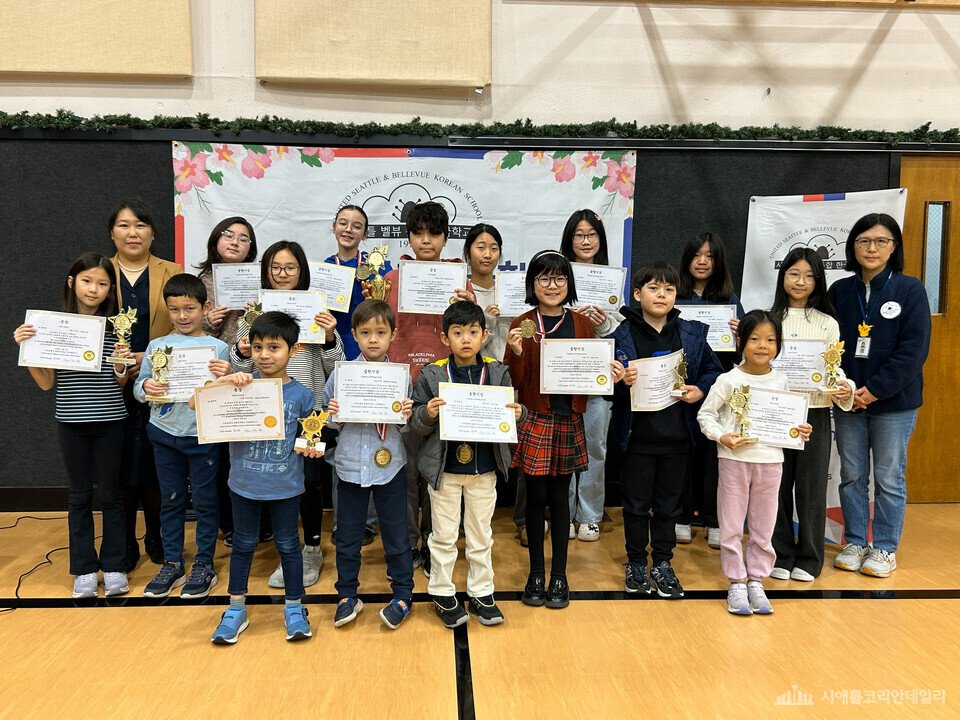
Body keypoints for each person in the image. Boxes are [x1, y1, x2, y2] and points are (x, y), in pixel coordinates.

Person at [506, 250, 625, 609]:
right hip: (535, 418)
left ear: (569, 284)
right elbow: (518, 381)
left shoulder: (583, 324)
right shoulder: (525, 322)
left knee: (560, 498)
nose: (552, 285)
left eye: (559, 279)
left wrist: (610, 374)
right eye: (544, 278)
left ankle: (559, 574)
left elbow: (593, 373)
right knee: (534, 497)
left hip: (569, 418)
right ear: (533, 284)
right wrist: (514, 353)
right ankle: (535, 573)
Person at [13, 253, 131, 598]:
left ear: (110, 289)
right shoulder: (50, 327)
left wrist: (123, 364)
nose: (93, 289)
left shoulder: (115, 327)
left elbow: (120, 383)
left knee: (111, 495)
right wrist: (28, 350)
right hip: (71, 421)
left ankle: (113, 566)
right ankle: (82, 569)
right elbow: (47, 383)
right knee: (79, 496)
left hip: (111, 420)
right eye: (86, 281)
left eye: (102, 283)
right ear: (72, 282)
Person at [231, 240, 344, 589]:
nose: (283, 274)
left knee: (308, 481)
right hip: (260, 410)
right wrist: (241, 346)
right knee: (266, 476)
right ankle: (278, 546)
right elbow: (241, 366)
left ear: (302, 271)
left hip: (303, 407)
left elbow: (335, 368)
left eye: (290, 267)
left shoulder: (318, 311)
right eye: (276, 267)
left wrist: (328, 335)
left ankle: (310, 546)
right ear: (266, 271)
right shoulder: (253, 315)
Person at [608, 261, 723, 598]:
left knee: (669, 505)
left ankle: (662, 562)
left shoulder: (691, 332)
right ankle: (634, 562)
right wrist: (619, 382)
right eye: (654, 288)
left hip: (677, 437)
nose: (662, 295)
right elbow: (602, 387)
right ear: (637, 293)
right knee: (635, 505)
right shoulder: (620, 336)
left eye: (669, 289)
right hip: (636, 438)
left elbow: (714, 373)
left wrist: (699, 390)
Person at [203, 312, 319, 644]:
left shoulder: (302, 395)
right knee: (243, 544)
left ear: (293, 350)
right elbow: (199, 407)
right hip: (243, 484)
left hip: (286, 485)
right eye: (257, 347)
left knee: (288, 546)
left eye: (274, 347)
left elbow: (312, 433)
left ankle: (295, 607)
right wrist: (224, 382)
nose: (264, 355)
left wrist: (313, 445)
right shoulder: (241, 385)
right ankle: (235, 609)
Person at [827, 213, 931, 578]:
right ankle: (855, 540)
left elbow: (913, 352)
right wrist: (847, 391)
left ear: (894, 247)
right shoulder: (840, 290)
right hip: (847, 400)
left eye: (881, 241)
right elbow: (827, 345)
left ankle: (885, 548)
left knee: (888, 477)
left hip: (893, 404)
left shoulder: (910, 289)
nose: (872, 248)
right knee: (852, 475)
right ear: (852, 246)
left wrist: (872, 392)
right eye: (863, 241)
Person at [412, 301, 525, 628]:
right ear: (445, 339)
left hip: (484, 469)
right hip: (444, 470)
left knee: (481, 535)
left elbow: (512, 414)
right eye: (457, 333)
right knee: (443, 536)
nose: (465, 339)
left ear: (485, 336)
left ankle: (481, 591)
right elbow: (417, 422)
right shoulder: (433, 373)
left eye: (472, 332)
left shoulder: (497, 371)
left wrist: (520, 414)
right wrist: (428, 413)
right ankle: (443, 592)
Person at [382, 201, 475, 576]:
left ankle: (434, 540)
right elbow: (380, 329)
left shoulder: (460, 282)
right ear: (408, 236)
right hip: (402, 385)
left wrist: (470, 306)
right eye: (418, 232)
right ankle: (406, 546)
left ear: (444, 237)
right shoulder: (389, 279)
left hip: (444, 386)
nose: (425, 240)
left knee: (436, 472)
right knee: (404, 472)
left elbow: (470, 332)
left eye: (433, 233)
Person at [697, 310, 812, 615]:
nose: (763, 346)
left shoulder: (782, 379)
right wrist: (722, 437)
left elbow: (789, 420)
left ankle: (756, 580)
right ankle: (736, 582)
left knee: (764, 526)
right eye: (755, 339)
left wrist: (800, 428)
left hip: (771, 461)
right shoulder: (728, 379)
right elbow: (705, 415)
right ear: (740, 341)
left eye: (771, 340)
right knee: (732, 524)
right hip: (734, 460)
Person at [135, 274, 232, 598]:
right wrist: (145, 387)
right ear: (167, 308)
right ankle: (173, 561)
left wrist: (228, 376)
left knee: (205, 501)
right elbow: (139, 388)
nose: (182, 316)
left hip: (202, 435)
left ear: (204, 307)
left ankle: (204, 562)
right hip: (164, 433)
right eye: (175, 310)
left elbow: (232, 394)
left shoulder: (218, 347)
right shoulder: (156, 346)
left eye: (189, 308)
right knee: (171, 500)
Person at [322, 299, 415, 630]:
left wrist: (406, 415)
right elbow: (330, 423)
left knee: (396, 534)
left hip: (390, 467)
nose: (373, 339)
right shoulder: (340, 375)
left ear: (393, 335)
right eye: (365, 333)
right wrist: (332, 413)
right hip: (349, 466)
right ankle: (347, 595)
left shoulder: (401, 378)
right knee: (347, 537)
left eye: (380, 332)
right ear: (354, 336)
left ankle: (403, 594)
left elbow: (407, 426)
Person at [769, 248, 855, 581]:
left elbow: (834, 371)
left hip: (814, 412)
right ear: (783, 276)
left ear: (818, 281)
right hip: (775, 413)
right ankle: (780, 553)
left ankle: (809, 557)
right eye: (793, 274)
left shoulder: (828, 324)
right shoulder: (767, 317)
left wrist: (844, 387)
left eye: (808, 275)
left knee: (811, 488)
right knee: (775, 486)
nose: (800, 281)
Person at [109, 197, 182, 571]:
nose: (132, 232)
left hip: (160, 382)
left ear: (153, 232)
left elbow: (182, 324)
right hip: (109, 385)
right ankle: (122, 542)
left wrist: (147, 360)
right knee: (119, 465)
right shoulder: (99, 271)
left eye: (140, 225)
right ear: (112, 233)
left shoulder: (172, 270)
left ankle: (156, 535)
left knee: (157, 464)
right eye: (124, 225)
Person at [674, 232, 745, 547]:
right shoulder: (673, 295)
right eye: (697, 255)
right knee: (683, 454)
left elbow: (744, 354)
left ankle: (715, 520)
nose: (702, 262)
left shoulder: (729, 301)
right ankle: (683, 516)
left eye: (710, 256)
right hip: (679, 387)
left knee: (715, 456)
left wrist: (741, 336)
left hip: (719, 390)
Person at [194, 216, 261, 548]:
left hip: (253, 374)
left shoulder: (259, 280)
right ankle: (230, 524)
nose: (235, 242)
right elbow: (186, 332)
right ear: (215, 241)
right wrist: (206, 323)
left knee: (252, 449)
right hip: (217, 375)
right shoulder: (200, 283)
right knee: (223, 457)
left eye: (244, 238)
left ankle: (258, 522)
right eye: (228, 235)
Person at [559, 209, 623, 543]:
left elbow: (619, 331)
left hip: (597, 376)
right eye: (579, 235)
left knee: (595, 446)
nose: (586, 241)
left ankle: (589, 515)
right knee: (565, 445)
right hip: (563, 375)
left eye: (592, 234)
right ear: (569, 240)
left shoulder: (611, 279)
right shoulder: (558, 277)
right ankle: (564, 513)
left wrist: (603, 323)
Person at [323, 205, 384, 546]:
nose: (348, 229)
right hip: (331, 354)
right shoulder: (320, 269)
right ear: (334, 226)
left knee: (373, 434)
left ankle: (370, 520)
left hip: (367, 351)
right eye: (343, 223)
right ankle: (344, 519)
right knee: (343, 439)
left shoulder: (377, 268)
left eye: (356, 225)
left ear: (365, 232)